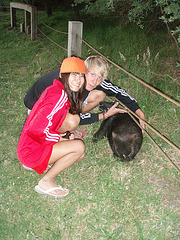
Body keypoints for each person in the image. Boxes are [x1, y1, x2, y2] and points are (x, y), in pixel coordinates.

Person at [17, 57, 86, 198]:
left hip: (31, 145)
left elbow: (48, 122)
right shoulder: (58, 95)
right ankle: (46, 181)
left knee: (79, 155)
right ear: (62, 75)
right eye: (73, 74)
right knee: (79, 148)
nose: (78, 79)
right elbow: (35, 130)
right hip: (30, 151)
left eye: (80, 75)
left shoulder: (57, 90)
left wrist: (62, 137)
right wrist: (58, 138)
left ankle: (35, 164)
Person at [24, 55, 146, 131]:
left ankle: (68, 120)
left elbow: (119, 93)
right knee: (73, 121)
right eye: (92, 74)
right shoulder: (70, 83)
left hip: (59, 104)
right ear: (84, 71)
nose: (95, 81)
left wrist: (139, 113)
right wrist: (104, 115)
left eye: (100, 77)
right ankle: (59, 131)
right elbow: (76, 119)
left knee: (100, 95)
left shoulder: (93, 81)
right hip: (36, 108)